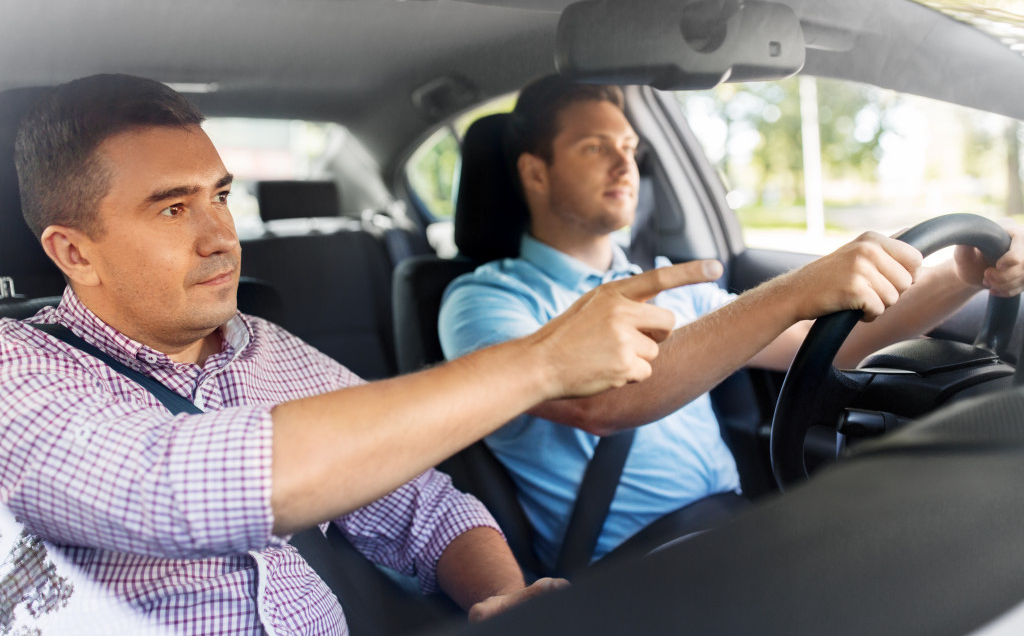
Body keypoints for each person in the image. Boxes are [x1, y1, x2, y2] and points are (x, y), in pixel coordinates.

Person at [0, 74, 716, 635]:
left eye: (220, 196)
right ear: (73, 251)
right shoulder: (19, 371)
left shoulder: (268, 348)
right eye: (173, 208)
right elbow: (176, 484)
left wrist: (504, 595)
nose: (221, 235)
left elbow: (422, 503)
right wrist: (539, 362)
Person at [438, 74, 1024, 570]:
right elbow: (600, 406)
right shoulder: (483, 300)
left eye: (629, 145)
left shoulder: (668, 281)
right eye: (595, 146)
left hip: (738, 527)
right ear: (535, 173)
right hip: (625, 571)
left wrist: (961, 273)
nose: (626, 163)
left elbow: (842, 347)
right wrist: (797, 290)